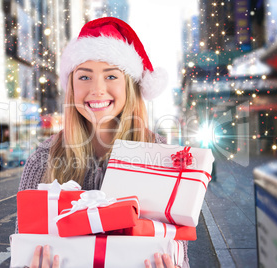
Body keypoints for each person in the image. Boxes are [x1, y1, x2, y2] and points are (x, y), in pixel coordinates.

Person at [17, 17, 189, 268]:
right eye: (84, 77)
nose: (97, 89)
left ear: (129, 85)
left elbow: (180, 254)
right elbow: (23, 249)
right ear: (72, 86)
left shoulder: (161, 156)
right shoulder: (42, 160)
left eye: (110, 76)